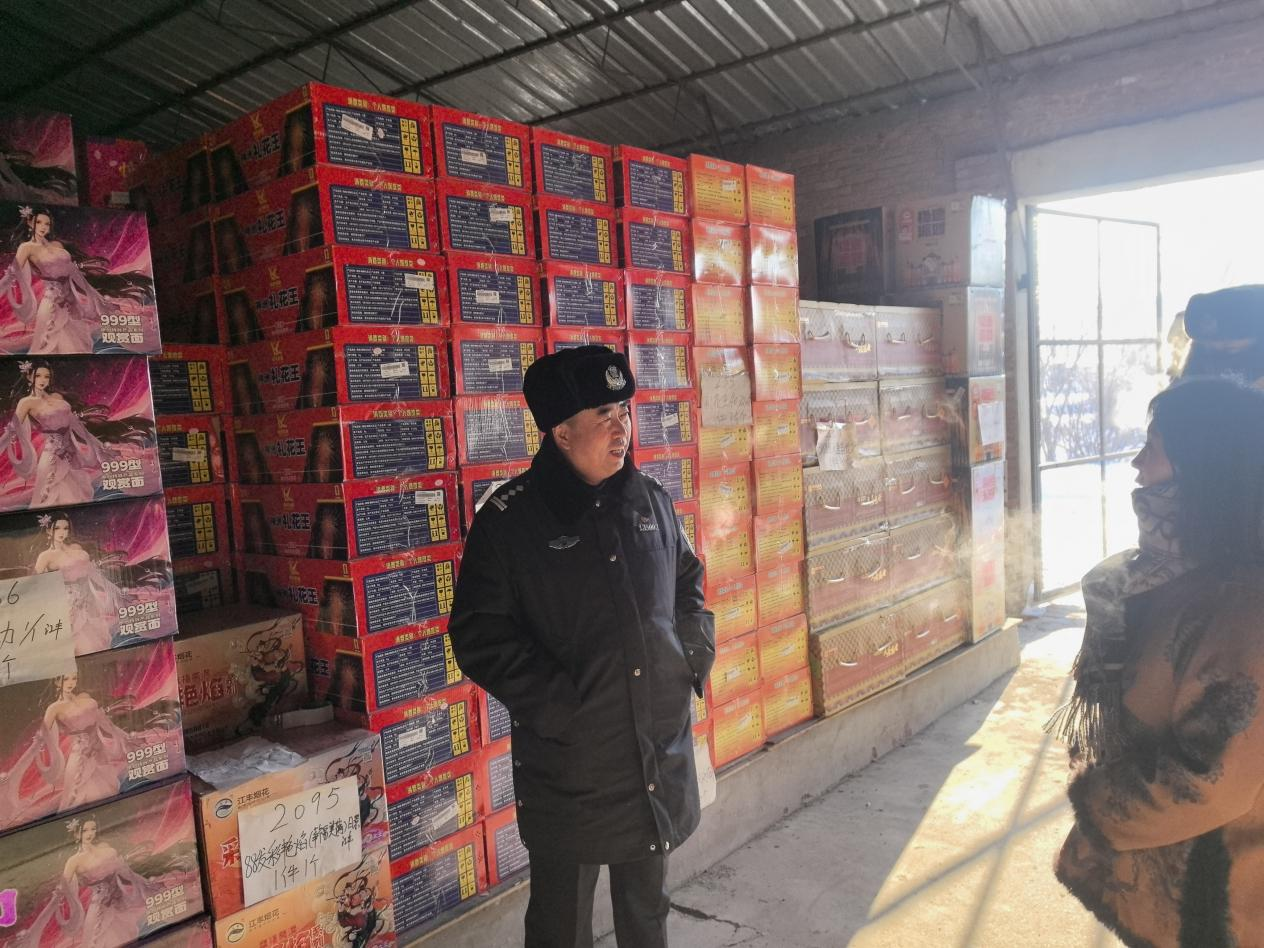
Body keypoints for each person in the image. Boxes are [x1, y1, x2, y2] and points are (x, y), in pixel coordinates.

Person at [450, 345, 715, 948]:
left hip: (654, 750)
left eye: (625, 412)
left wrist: (690, 658)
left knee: (647, 912)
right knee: (560, 922)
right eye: (604, 415)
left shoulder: (650, 500)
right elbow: (479, 632)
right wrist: (558, 707)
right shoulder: (512, 521)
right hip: (572, 764)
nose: (622, 428)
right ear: (561, 432)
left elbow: (687, 582)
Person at [1050, 376, 1264, 946]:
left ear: (1205, 468)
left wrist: (1098, 810)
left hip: (1209, 899)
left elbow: (1209, 782)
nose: (1138, 464)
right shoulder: (1165, 574)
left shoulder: (1242, 608)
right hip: (1155, 876)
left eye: (1153, 447)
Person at [0, 359, 155, 509]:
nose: (42, 380)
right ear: (29, 377)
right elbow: (12, 429)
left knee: (76, 493)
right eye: (38, 376)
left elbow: (77, 425)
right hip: (52, 456)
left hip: (71, 454)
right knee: (52, 496)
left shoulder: (57, 397)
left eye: (46, 376)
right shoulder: (26, 403)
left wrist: (97, 445)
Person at [0, 206, 154, 353]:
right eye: (39, 222)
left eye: (47, 223)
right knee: (57, 345)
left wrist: (93, 295)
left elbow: (73, 273)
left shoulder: (57, 244)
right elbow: (11, 274)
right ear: (29, 222)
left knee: (81, 342)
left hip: (73, 301)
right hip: (53, 305)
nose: (43, 227)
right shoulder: (27, 248)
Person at [1179, 284, 1264, 385]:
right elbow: (1186, 388)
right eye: (1208, 342)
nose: (1218, 345)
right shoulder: (1201, 356)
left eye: (1228, 337)